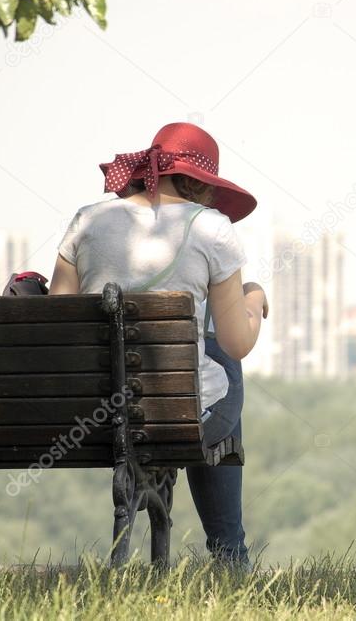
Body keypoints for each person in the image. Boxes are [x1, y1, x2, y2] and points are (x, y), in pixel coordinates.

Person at [49, 122, 268, 567]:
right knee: (222, 358)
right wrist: (255, 297)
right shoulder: (212, 228)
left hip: (92, 421)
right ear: (196, 182)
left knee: (205, 355)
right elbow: (238, 342)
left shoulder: (87, 220)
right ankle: (230, 556)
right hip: (175, 418)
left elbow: (57, 324)